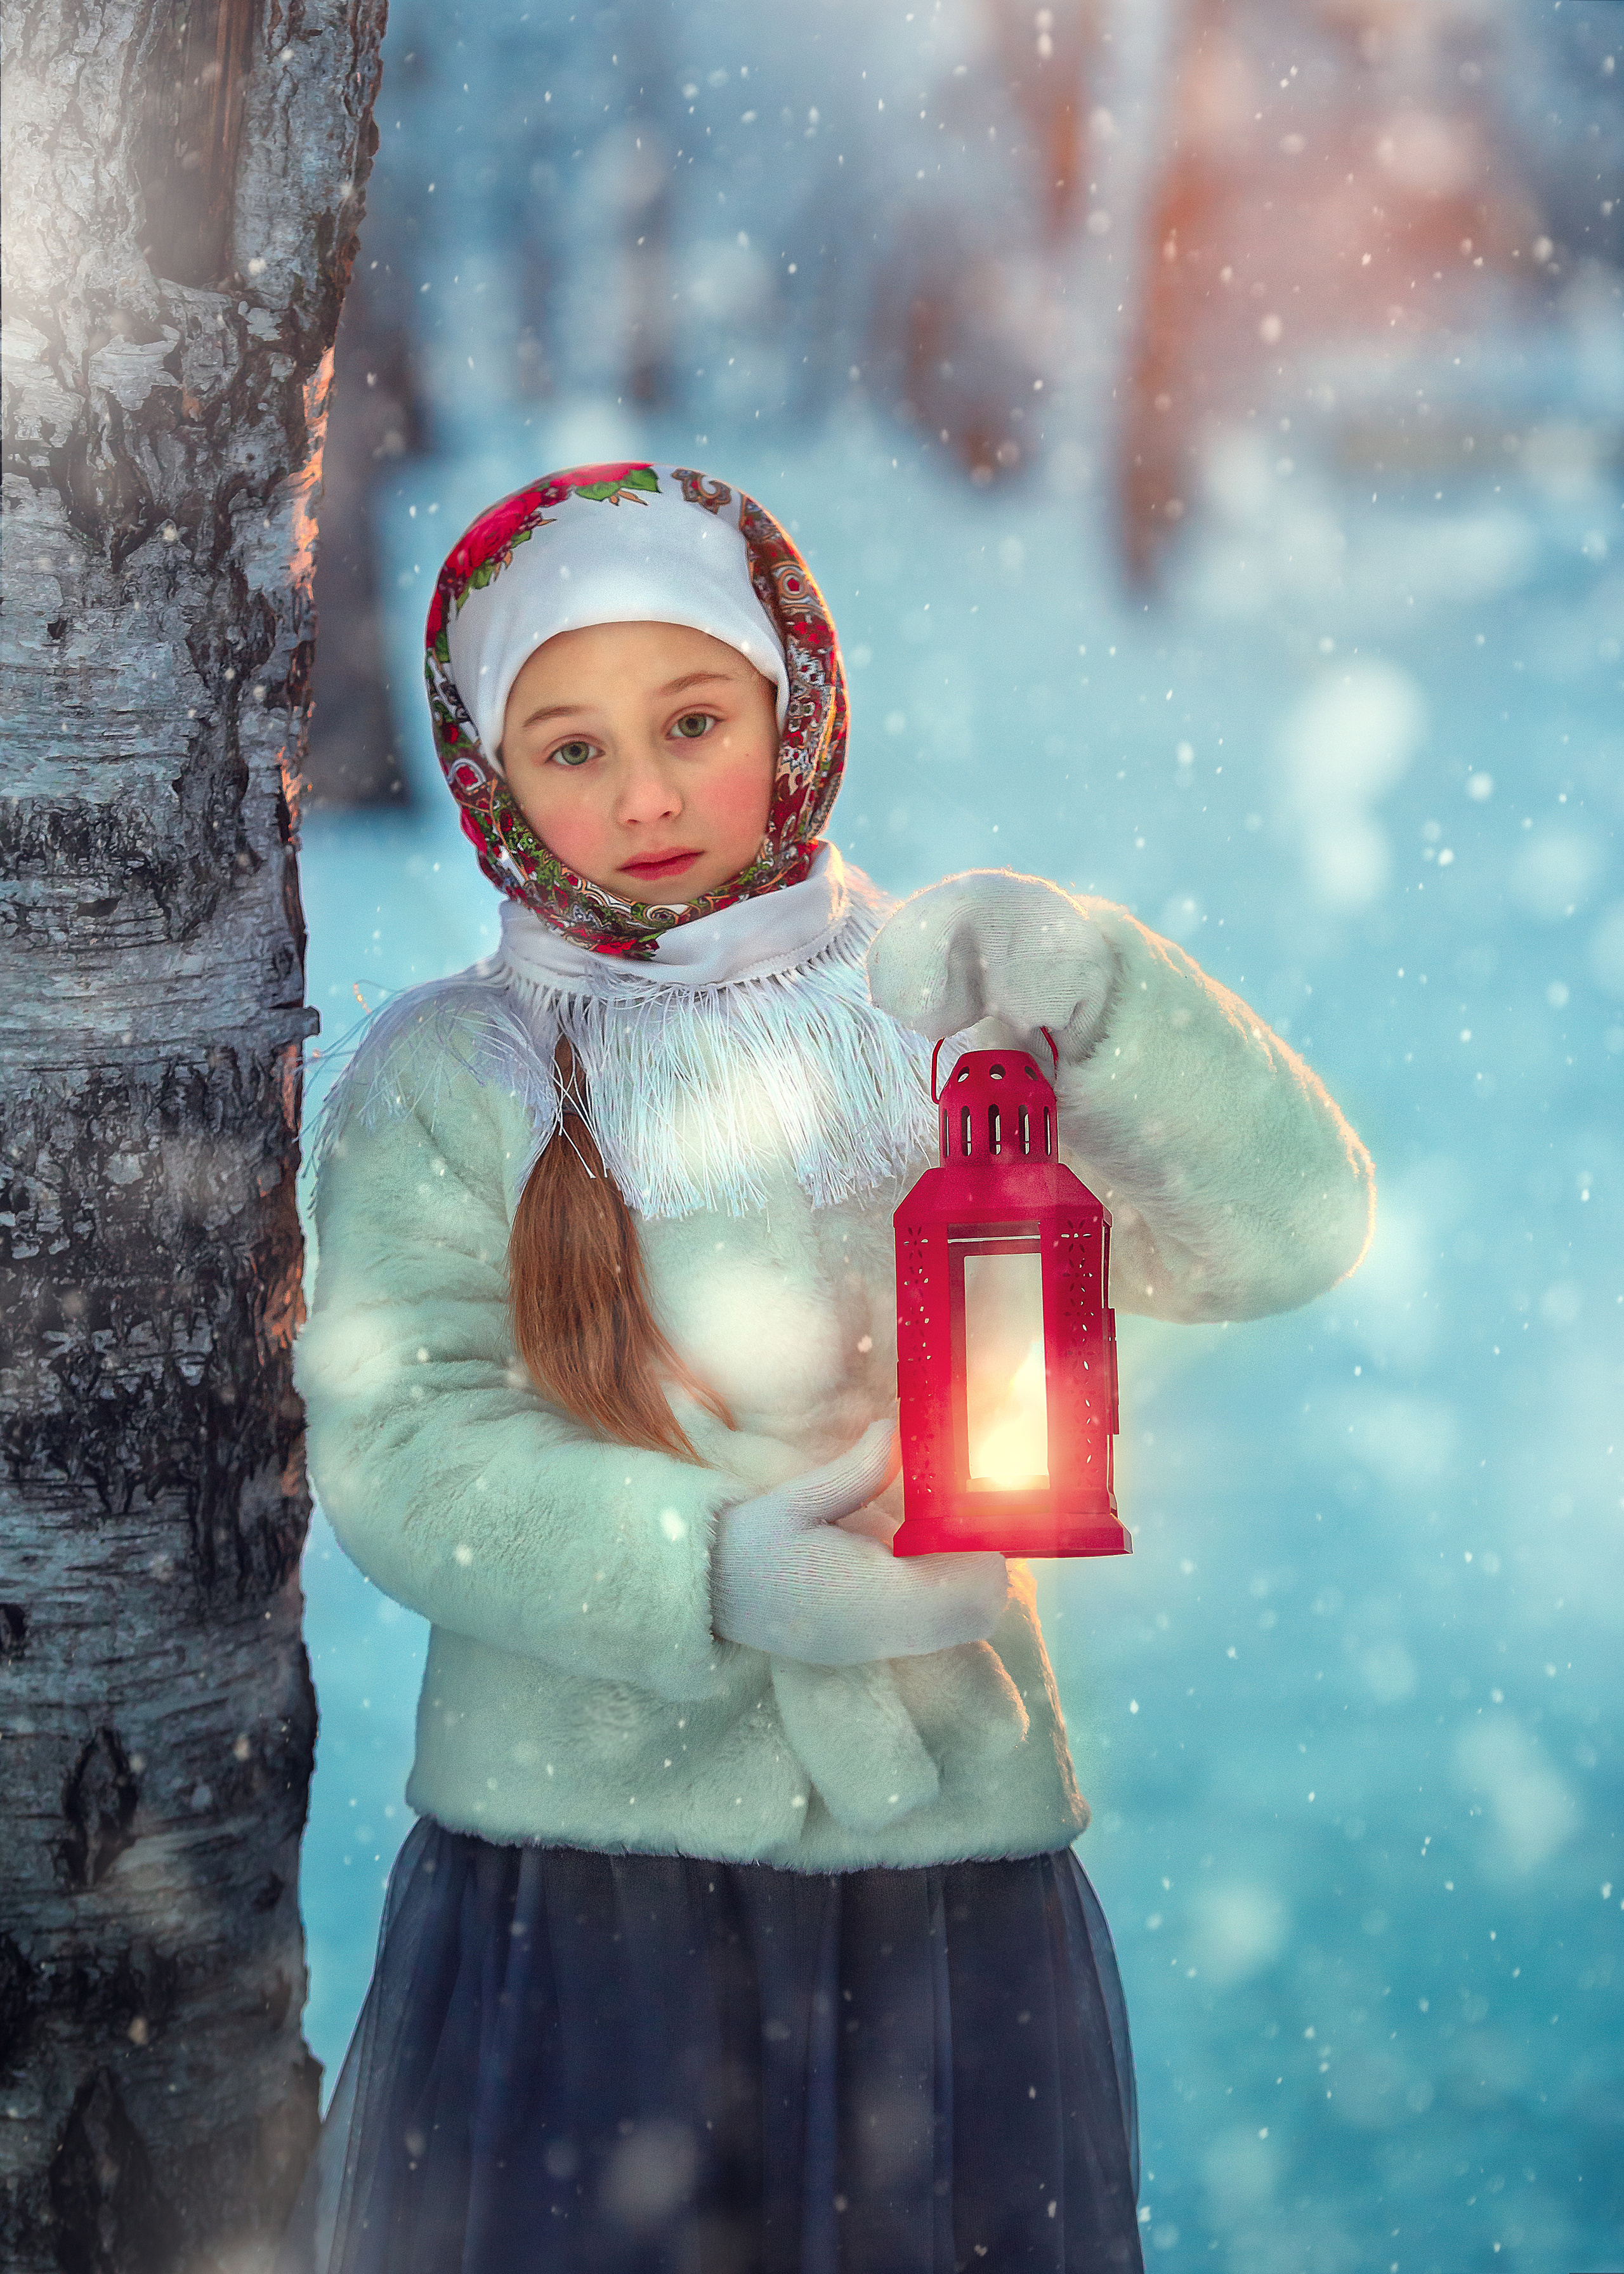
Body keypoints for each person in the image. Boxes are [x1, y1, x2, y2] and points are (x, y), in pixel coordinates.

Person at [282, 461, 1373, 2274]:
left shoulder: (940, 1017)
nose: (643, 796)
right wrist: (711, 1569)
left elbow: (1285, 1235)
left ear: (790, 707)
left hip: (938, 1878)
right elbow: (403, 1441)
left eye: (693, 722)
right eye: (571, 748)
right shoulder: (454, 1077)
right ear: (486, 772)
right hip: (584, 1886)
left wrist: (1110, 1002)